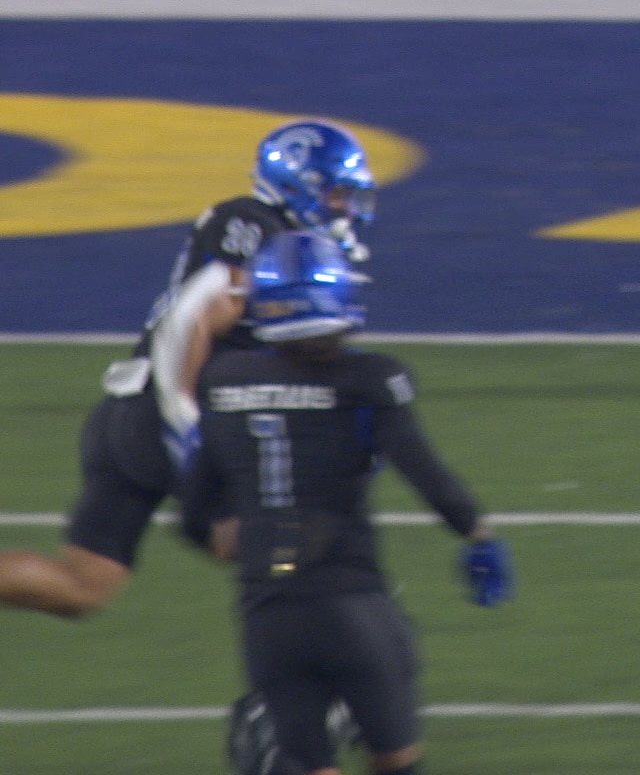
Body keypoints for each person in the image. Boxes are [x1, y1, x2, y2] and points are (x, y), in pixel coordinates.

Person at [0, 119, 380, 619]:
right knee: (280, 549)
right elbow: (188, 319)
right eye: (336, 194)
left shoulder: (282, 240)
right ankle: (296, 688)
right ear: (298, 184)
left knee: (81, 587)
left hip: (128, 416)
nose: (345, 208)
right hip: (168, 413)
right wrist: (184, 425)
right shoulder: (252, 223)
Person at [180, 230, 514, 775]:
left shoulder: (223, 382)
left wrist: (263, 543)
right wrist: (478, 534)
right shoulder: (371, 379)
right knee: (397, 759)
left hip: (267, 617)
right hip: (351, 607)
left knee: (306, 761)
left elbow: (198, 518)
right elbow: (427, 475)